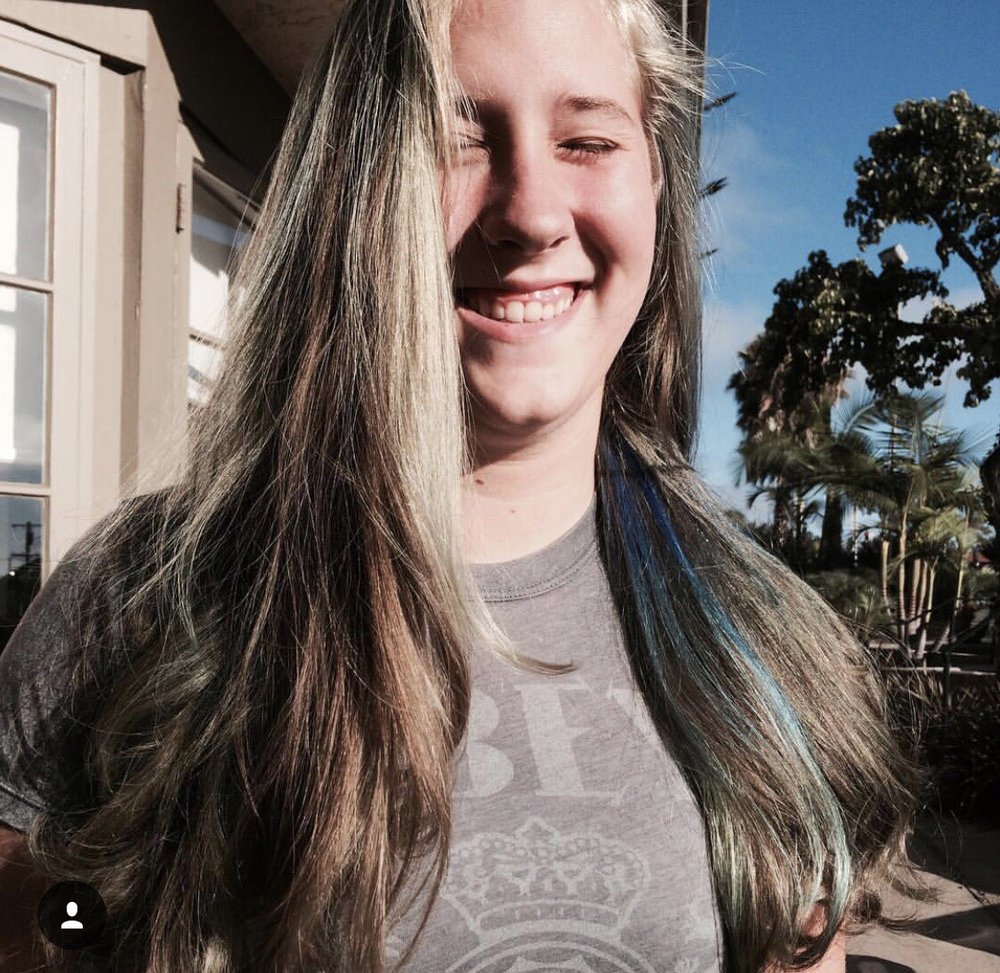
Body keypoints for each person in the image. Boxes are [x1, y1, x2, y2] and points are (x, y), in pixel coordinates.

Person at [0, 0, 932, 970]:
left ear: (654, 183)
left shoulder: (766, 649)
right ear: (352, 184)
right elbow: (32, 926)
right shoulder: (141, 603)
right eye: (455, 136)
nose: (530, 212)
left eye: (587, 140)